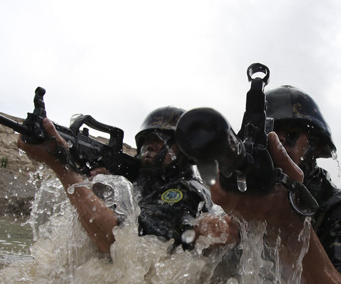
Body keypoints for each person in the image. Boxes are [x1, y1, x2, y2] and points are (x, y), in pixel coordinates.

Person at [206, 85, 341, 284]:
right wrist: (208, 237)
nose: (276, 142)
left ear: (315, 146)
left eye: (289, 134)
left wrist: (289, 221)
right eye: (267, 134)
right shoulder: (244, 202)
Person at [17, 106, 211, 254]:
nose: (148, 149)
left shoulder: (186, 192)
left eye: (159, 141)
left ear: (187, 152)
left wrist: (64, 169)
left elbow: (119, 248)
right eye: (145, 143)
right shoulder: (143, 186)